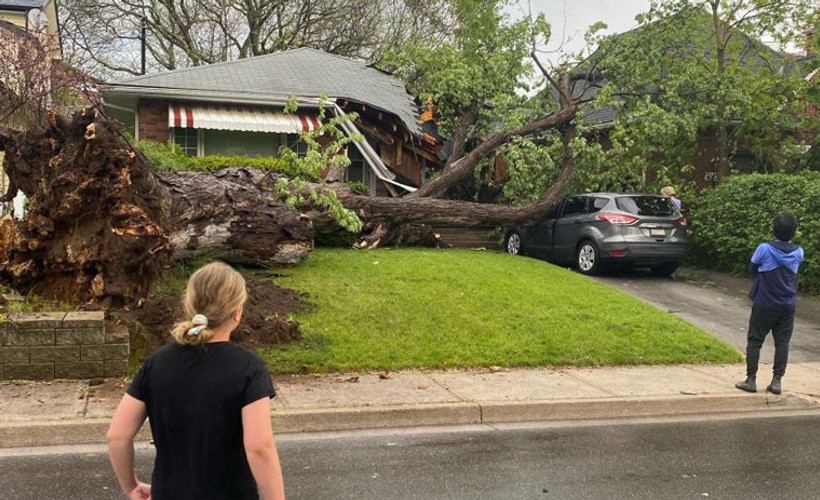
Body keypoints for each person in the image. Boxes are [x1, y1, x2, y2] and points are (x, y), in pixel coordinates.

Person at [107, 262, 286, 500]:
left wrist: (131, 487)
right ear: (237, 313)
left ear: (189, 306)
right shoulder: (248, 369)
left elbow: (117, 436)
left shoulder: (157, 363)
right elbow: (259, 448)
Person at [736, 213, 804, 395]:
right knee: (782, 343)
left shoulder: (764, 248)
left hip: (765, 302)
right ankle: (776, 381)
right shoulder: (799, 252)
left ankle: (751, 379)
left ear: (774, 229)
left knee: (755, 340)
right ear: (794, 231)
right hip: (787, 304)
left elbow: (752, 268)